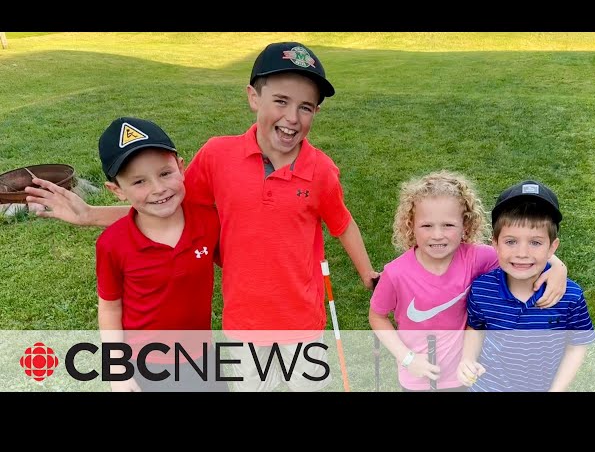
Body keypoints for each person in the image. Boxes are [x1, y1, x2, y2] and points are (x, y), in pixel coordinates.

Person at [25, 42, 378, 392]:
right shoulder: (217, 156)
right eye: (281, 101)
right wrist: (90, 215)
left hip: (302, 320)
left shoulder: (322, 172)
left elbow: (342, 223)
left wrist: (367, 273)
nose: (291, 118)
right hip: (244, 323)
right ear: (254, 97)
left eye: (306, 107)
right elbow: (165, 209)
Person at [369, 171, 569, 392]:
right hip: (417, 379)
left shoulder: (477, 257)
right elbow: (377, 316)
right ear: (411, 226)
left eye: (448, 225)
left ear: (465, 225)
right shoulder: (396, 273)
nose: (437, 235)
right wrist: (407, 359)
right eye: (427, 226)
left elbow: (518, 253)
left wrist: (559, 267)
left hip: (467, 376)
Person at [94, 116, 227, 392]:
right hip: (146, 365)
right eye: (139, 181)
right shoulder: (112, 244)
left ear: (181, 167)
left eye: (165, 173)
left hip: (202, 357)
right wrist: (116, 368)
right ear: (117, 190)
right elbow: (109, 307)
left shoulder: (208, 221)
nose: (158, 189)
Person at [457, 180, 595, 392]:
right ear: (494, 244)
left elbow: (577, 345)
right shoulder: (481, 289)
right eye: (511, 241)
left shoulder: (571, 297)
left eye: (535, 242)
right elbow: (475, 328)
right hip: (488, 386)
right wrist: (467, 359)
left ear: (552, 247)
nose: (522, 253)